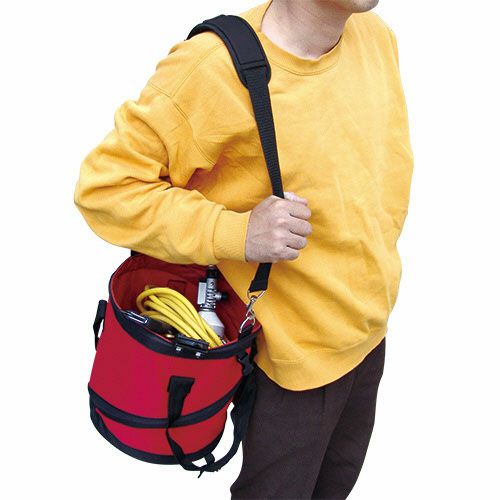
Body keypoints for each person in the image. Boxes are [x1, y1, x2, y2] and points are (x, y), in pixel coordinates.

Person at [74, 0, 413, 498]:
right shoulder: (214, 67)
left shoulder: (374, 36)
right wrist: (236, 233)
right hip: (288, 362)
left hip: (367, 334)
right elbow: (105, 190)